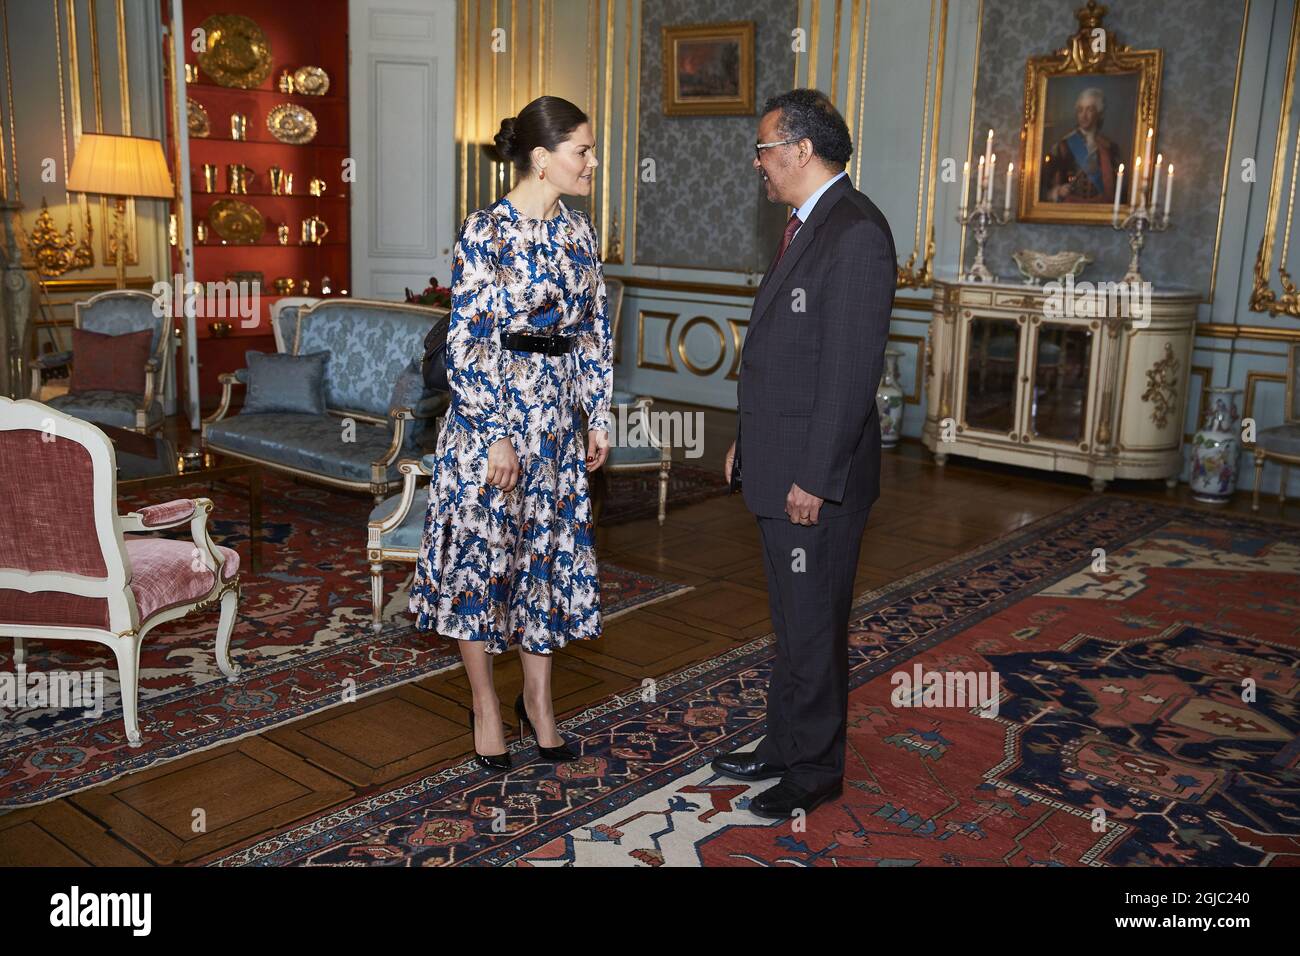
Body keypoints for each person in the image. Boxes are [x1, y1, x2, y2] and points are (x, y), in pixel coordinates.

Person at [409, 95, 612, 771]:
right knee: (481, 566)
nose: (591, 161)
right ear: (541, 158)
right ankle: (487, 706)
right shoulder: (485, 231)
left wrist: (597, 411)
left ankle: (540, 705)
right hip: (489, 421)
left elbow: (592, 332)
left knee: (544, 566)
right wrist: (493, 432)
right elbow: (467, 341)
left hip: (555, 422)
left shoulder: (579, 233)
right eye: (581, 150)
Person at [716, 89, 896, 818]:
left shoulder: (854, 232)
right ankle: (782, 744)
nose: (757, 163)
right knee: (792, 620)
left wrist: (814, 479)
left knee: (815, 623)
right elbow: (786, 359)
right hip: (777, 456)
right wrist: (747, 442)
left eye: (763, 149)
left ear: (798, 150)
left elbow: (849, 377)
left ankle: (815, 769)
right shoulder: (805, 224)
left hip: (815, 478)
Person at [1041, 87, 1123, 203]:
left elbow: (1116, 189)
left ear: (1098, 113)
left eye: (1089, 110)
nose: (1083, 115)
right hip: (1069, 211)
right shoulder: (1062, 146)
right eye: (1080, 110)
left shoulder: (1110, 148)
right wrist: (1058, 190)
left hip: (1100, 212)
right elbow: (1045, 187)